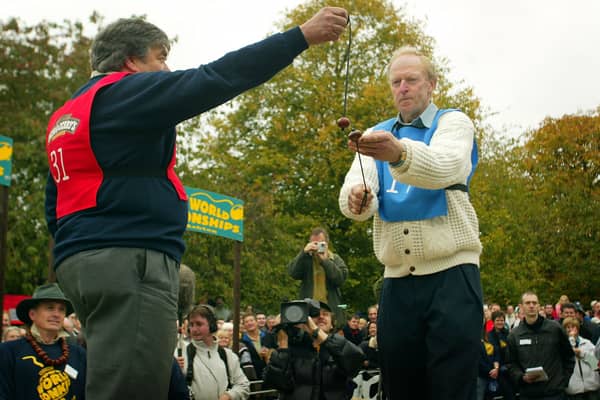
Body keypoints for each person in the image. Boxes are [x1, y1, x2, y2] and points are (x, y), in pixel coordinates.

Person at [44, 9, 348, 400]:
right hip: (130, 259)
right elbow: (217, 77)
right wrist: (299, 37)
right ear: (130, 61)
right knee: (130, 389)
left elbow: (54, 202)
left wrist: (83, 252)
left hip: (83, 262)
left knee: (145, 378)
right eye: (160, 56)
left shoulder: (67, 116)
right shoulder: (126, 92)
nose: (167, 68)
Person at [338, 45, 482, 400]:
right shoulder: (377, 132)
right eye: (395, 82)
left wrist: (400, 153)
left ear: (431, 84)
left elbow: (446, 166)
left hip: (452, 274)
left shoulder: (453, 122)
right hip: (397, 281)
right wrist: (358, 198)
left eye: (411, 80)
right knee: (400, 388)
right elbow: (355, 188)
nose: (402, 87)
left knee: (452, 388)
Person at [0, 283, 86, 399]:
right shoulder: (8, 352)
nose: (56, 314)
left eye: (61, 309)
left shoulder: (79, 354)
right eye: (50, 308)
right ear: (32, 314)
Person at [263, 301, 364, 400]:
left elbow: (355, 363)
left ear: (332, 324)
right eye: (315, 315)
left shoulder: (339, 346)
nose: (320, 317)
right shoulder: (293, 347)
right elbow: (277, 383)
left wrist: (316, 332)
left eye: (325, 314)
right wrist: (283, 342)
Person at [507, 291, 574, 400]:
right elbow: (511, 364)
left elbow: (569, 357)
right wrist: (521, 377)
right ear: (521, 307)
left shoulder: (555, 329)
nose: (531, 306)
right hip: (529, 394)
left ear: (539, 306)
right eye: (528, 303)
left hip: (555, 393)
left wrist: (563, 381)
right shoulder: (514, 335)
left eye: (534, 303)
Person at [180, 304, 250, 400]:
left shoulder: (228, 355)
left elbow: (243, 385)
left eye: (199, 324)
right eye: (191, 325)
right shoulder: (180, 354)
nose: (194, 329)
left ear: (212, 325)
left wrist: (229, 396)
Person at [287, 227, 349, 326]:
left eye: (320, 243)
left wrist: (325, 261)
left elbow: (339, 279)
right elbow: (293, 273)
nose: (317, 246)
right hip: (310, 310)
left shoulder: (335, 259)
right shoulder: (306, 259)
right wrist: (303, 253)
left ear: (327, 243)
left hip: (330, 310)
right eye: (314, 243)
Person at [562, 317, 600, 399]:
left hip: (592, 387)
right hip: (573, 389)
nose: (570, 329)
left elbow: (595, 364)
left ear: (577, 328)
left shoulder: (587, 343)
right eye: (568, 327)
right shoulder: (562, 345)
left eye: (573, 327)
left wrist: (582, 354)